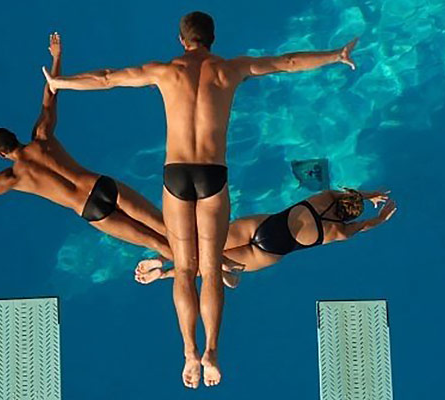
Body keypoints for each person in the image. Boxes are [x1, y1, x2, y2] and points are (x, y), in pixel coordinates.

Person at [43, 12, 360, 388]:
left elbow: (109, 78)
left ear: (181, 40)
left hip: (176, 174)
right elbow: (287, 62)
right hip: (213, 174)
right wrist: (335, 55)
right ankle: (211, 350)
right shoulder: (229, 70)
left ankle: (188, 352)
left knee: (183, 268)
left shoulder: (164, 71)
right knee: (209, 269)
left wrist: (60, 81)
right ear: (213, 38)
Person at [0, 33, 172, 260]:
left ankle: (214, 272)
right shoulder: (42, 137)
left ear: (0, 154)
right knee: (168, 229)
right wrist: (56, 57)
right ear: (15, 137)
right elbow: (50, 96)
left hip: (90, 210)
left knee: (159, 245)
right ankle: (217, 254)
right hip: (102, 185)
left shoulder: (13, 178)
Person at [135, 189, 396, 286]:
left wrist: (368, 195)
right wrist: (379, 220)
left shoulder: (325, 198)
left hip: (262, 226)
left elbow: (347, 193)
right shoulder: (339, 231)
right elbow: (363, 227)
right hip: (271, 251)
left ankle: (161, 257)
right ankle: (166, 275)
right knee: (209, 266)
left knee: (204, 242)